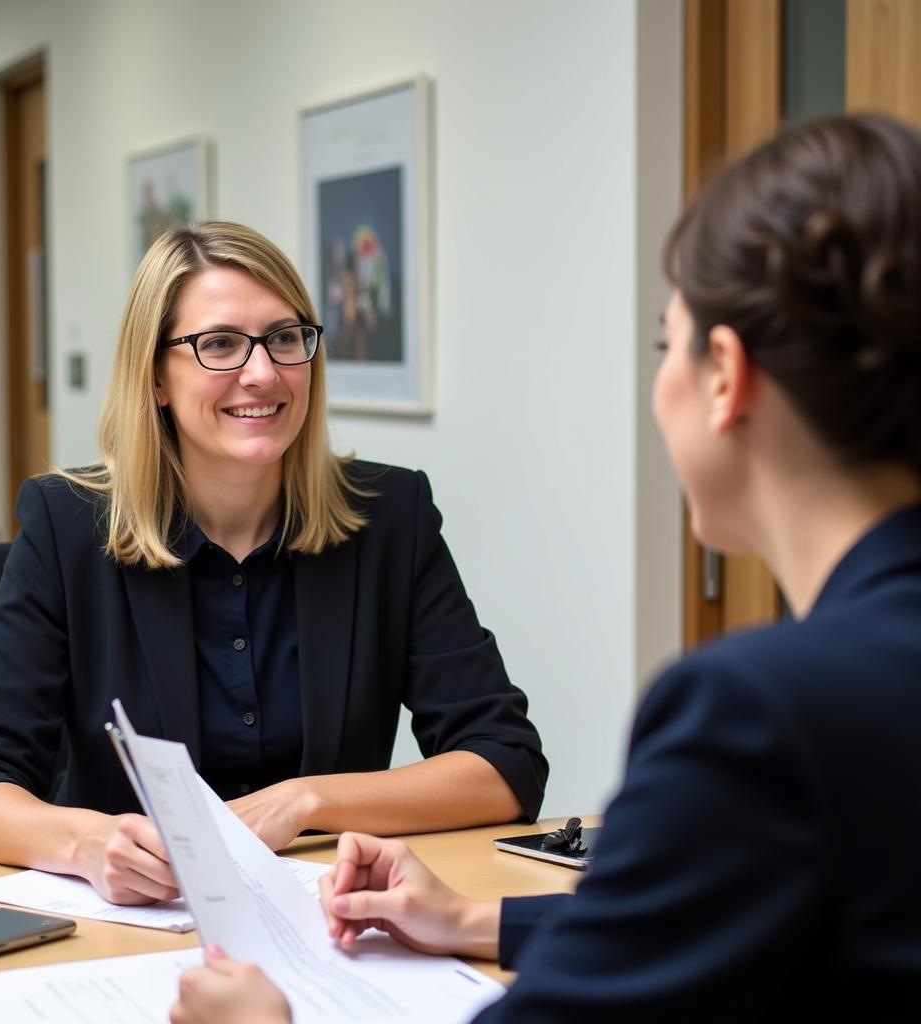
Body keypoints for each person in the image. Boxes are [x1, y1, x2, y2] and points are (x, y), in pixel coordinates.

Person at [170, 113, 921, 1022]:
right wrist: (474, 918)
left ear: (724, 376)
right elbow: (729, 920)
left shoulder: (757, 715)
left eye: (663, 342)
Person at [0, 222, 547, 905]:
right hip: (131, 930)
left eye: (285, 338)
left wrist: (306, 800)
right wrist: (85, 843)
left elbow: (504, 763)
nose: (263, 372)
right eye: (219, 344)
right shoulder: (67, 525)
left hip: (329, 923)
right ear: (156, 377)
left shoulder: (390, 516)